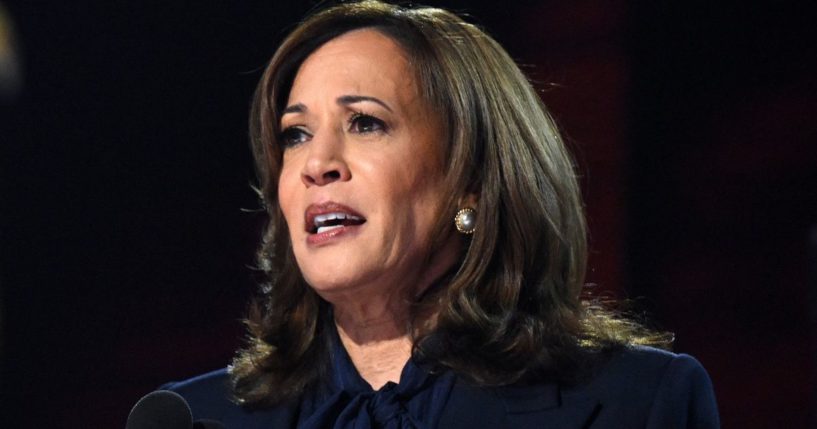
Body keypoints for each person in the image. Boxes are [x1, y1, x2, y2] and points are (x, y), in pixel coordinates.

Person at [162, 1, 720, 427]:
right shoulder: (192, 416)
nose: (317, 165)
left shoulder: (638, 402)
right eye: (296, 134)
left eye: (365, 123)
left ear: (471, 180)